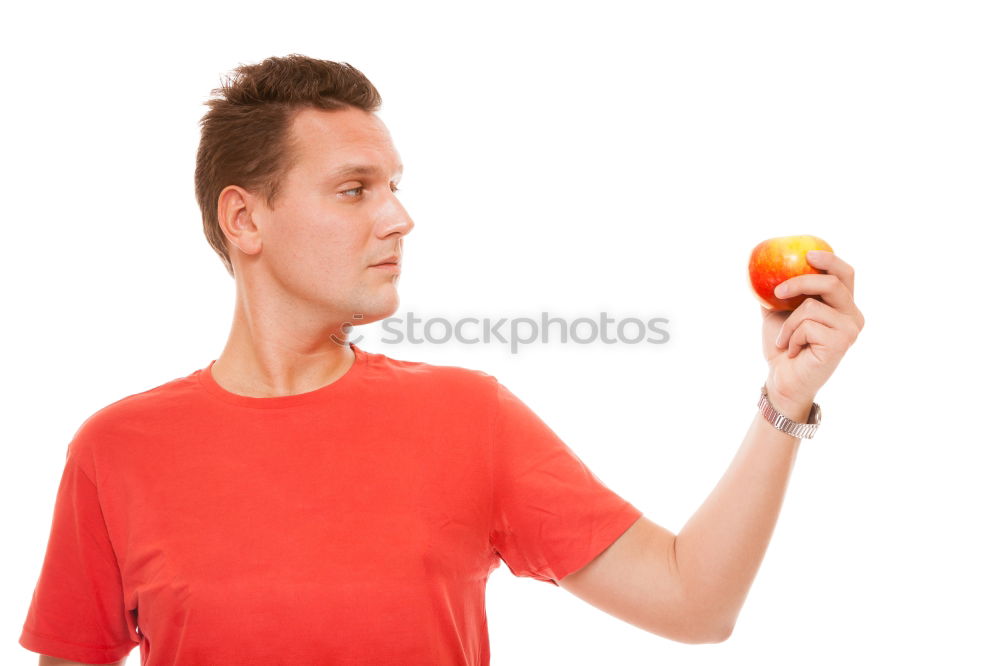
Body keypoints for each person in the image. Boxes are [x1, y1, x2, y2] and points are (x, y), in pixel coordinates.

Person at [19, 54, 865, 666]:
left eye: (394, 186)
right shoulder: (118, 449)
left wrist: (784, 400)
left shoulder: (470, 417)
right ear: (245, 219)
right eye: (355, 190)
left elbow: (695, 603)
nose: (399, 218)